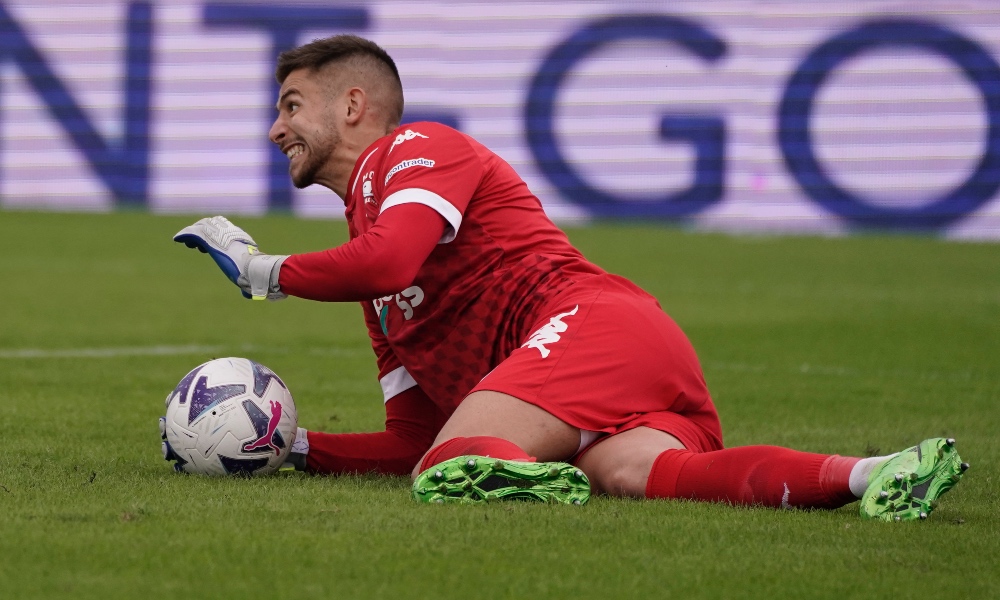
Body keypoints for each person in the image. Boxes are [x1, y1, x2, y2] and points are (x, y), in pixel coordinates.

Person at [173, 35, 967, 520]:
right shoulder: (372, 263)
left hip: (592, 324)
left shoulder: (416, 148)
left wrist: (263, 271)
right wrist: (290, 447)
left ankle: (533, 481)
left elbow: (391, 261)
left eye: (291, 105)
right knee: (633, 473)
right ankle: (875, 474)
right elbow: (412, 435)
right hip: (624, 356)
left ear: (353, 105)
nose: (275, 128)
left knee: (453, 468)